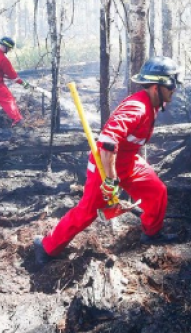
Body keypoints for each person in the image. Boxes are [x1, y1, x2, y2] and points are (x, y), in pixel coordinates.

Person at [34, 56, 181, 266]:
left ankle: (151, 233)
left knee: (157, 191)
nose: (175, 88)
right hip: (105, 165)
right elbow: (108, 141)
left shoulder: (154, 103)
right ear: (157, 86)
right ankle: (47, 246)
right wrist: (110, 181)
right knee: (87, 213)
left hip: (128, 162)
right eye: (172, 83)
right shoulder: (137, 107)